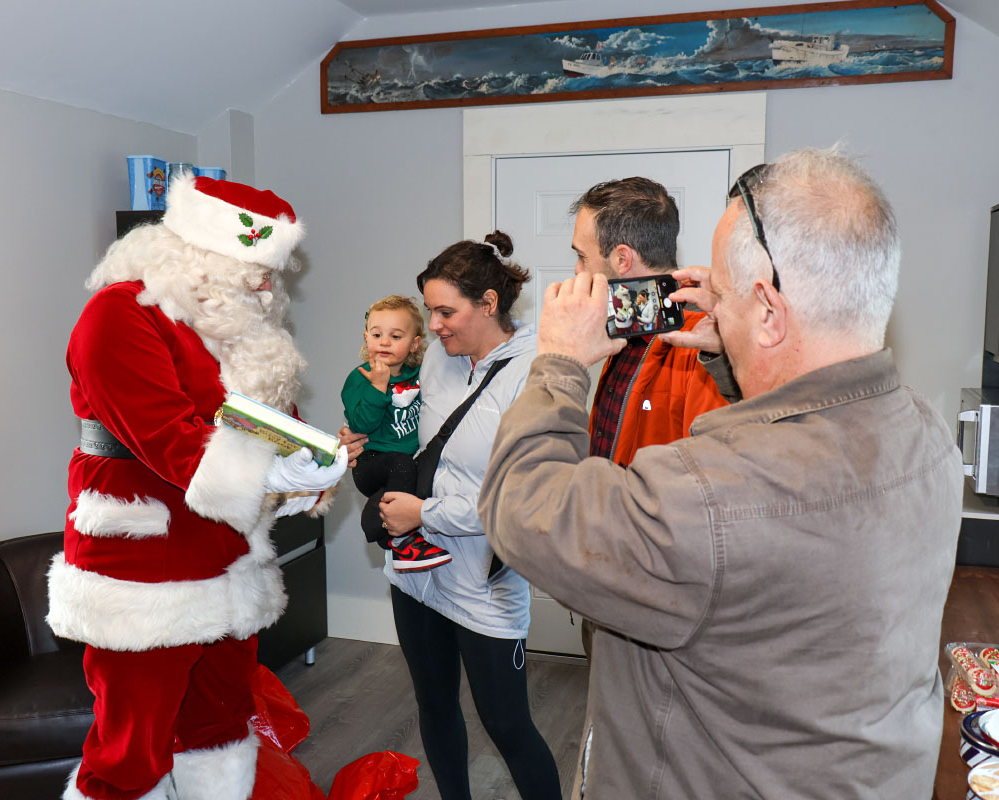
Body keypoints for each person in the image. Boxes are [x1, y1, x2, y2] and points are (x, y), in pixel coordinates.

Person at [479, 148, 963, 798]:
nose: (715, 309)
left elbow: (522, 507)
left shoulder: (715, 495)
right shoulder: (929, 437)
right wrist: (737, 356)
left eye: (727, 296)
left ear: (769, 311)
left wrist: (560, 361)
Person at [47, 175, 347, 800]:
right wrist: (276, 472)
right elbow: (167, 436)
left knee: (218, 729)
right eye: (254, 270)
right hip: (146, 570)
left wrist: (307, 469)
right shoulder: (119, 314)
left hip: (228, 561)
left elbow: (268, 426)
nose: (266, 287)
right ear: (197, 254)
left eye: (270, 273)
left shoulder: (241, 335)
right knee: (131, 753)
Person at [374, 231, 561, 800]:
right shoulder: (440, 355)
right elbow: (416, 439)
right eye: (430, 311)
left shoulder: (536, 370)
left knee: (507, 724)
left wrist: (424, 512)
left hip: (485, 581)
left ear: (488, 303)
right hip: (417, 570)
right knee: (433, 705)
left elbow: (518, 493)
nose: (433, 326)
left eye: (446, 312)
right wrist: (370, 443)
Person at [568, 176, 732, 657]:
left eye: (581, 257)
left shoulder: (705, 344)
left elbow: (711, 493)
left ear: (622, 259)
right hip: (609, 577)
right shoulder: (625, 333)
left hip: (655, 603)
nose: (576, 271)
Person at [341, 294, 451, 571]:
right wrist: (379, 387)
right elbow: (361, 425)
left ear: (414, 343)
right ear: (366, 337)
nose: (385, 342)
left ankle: (375, 515)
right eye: (377, 334)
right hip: (371, 462)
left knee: (415, 468)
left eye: (396, 336)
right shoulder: (359, 378)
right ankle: (400, 541)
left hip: (409, 463)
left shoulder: (419, 373)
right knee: (400, 464)